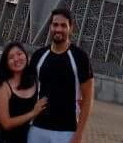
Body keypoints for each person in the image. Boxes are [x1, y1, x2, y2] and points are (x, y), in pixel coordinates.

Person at [29, 8, 94, 143]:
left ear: (70, 29)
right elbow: (28, 90)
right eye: (55, 25)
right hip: (37, 128)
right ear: (50, 27)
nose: (58, 29)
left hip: (66, 132)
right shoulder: (39, 56)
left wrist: (79, 134)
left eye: (63, 25)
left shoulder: (80, 57)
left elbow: (88, 99)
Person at [0, 41, 48, 143]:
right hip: (5, 140)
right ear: (6, 63)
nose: (16, 59)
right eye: (11, 57)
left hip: (27, 139)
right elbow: (6, 124)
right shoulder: (4, 86)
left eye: (19, 54)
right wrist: (33, 113)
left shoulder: (35, 80)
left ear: (26, 55)